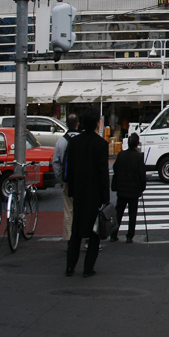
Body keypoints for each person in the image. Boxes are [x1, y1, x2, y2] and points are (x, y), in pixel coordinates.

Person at [64, 111, 110, 277]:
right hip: (95, 193)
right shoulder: (101, 144)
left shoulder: (74, 142)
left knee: (76, 229)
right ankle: (88, 268)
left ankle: (70, 266)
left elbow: (69, 167)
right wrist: (106, 197)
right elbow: (103, 173)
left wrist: (71, 188)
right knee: (94, 231)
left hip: (78, 191)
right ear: (97, 123)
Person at [110, 133, 147, 243]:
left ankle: (114, 234)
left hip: (122, 188)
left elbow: (115, 168)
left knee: (119, 212)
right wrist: (142, 187)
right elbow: (142, 174)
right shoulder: (139, 156)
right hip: (134, 189)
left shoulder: (121, 155)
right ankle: (129, 235)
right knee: (132, 213)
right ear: (137, 144)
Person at [52, 114, 81, 242]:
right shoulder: (82, 140)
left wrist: (60, 180)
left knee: (68, 211)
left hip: (68, 180)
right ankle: (84, 238)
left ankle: (69, 239)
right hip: (81, 181)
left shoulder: (61, 141)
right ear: (78, 124)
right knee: (82, 210)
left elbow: (56, 162)